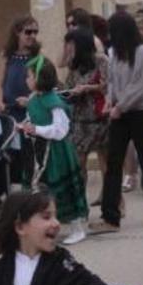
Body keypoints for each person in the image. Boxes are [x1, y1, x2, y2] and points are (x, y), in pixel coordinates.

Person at [0, 190, 143, 285]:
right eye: (46, 217)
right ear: (20, 227)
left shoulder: (61, 262)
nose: (56, 223)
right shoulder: (2, 268)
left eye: (56, 216)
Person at [90, 11, 143, 234]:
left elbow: (141, 85)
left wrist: (120, 106)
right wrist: (109, 101)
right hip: (120, 112)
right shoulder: (115, 53)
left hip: (142, 112)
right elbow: (113, 83)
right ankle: (110, 217)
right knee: (114, 163)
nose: (110, 37)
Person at [19, 55, 89, 245]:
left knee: (63, 190)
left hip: (57, 152)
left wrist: (37, 130)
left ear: (40, 78)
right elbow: (31, 117)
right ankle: (41, 227)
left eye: (29, 76)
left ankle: (77, 228)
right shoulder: (34, 99)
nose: (26, 79)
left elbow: (61, 130)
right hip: (40, 152)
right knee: (41, 190)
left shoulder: (53, 101)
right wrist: (26, 127)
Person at [63, 28, 110, 205]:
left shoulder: (101, 60)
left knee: (105, 161)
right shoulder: (73, 65)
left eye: (71, 44)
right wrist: (67, 92)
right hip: (79, 119)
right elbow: (68, 85)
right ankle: (79, 200)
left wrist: (87, 89)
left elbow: (107, 85)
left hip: (99, 117)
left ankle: (111, 199)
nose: (68, 48)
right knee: (79, 162)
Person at [0, 15, 41, 184]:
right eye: (28, 32)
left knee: (28, 151)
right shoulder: (6, 55)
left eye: (35, 32)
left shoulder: (36, 56)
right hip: (10, 110)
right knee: (10, 151)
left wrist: (31, 100)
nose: (32, 36)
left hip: (29, 111)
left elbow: (40, 84)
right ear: (17, 33)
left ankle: (27, 184)